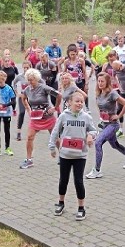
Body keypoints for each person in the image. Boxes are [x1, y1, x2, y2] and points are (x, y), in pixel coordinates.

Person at [49, 91, 98, 220]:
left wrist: (90, 136)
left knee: (78, 181)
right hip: (65, 154)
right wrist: (52, 147)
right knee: (63, 180)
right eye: (77, 101)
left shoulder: (86, 117)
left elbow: (93, 130)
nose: (80, 103)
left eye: (81, 101)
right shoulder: (63, 116)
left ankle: (81, 208)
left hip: (80, 155)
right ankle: (61, 203)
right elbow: (55, 132)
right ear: (69, 102)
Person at [88, 72, 125, 178]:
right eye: (99, 81)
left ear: (107, 82)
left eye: (102, 81)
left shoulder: (112, 93)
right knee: (114, 145)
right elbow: (100, 107)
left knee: (98, 143)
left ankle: (97, 170)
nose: (100, 83)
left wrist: (118, 116)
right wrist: (102, 118)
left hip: (113, 124)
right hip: (105, 124)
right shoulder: (98, 93)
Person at [18, 68, 60, 169]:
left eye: (31, 79)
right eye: (28, 79)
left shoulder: (44, 88)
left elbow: (59, 95)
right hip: (35, 117)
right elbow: (23, 98)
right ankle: (29, 160)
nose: (29, 82)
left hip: (47, 116)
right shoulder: (27, 89)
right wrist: (28, 109)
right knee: (29, 137)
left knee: (55, 137)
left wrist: (55, 108)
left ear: (36, 79)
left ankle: (63, 157)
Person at [12, 61, 31, 142]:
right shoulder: (20, 76)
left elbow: (41, 83)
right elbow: (14, 83)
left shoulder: (34, 76)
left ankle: (34, 129)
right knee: (22, 112)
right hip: (23, 97)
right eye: (24, 68)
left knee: (33, 113)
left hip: (32, 97)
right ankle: (19, 132)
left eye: (27, 67)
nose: (26, 69)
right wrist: (17, 93)